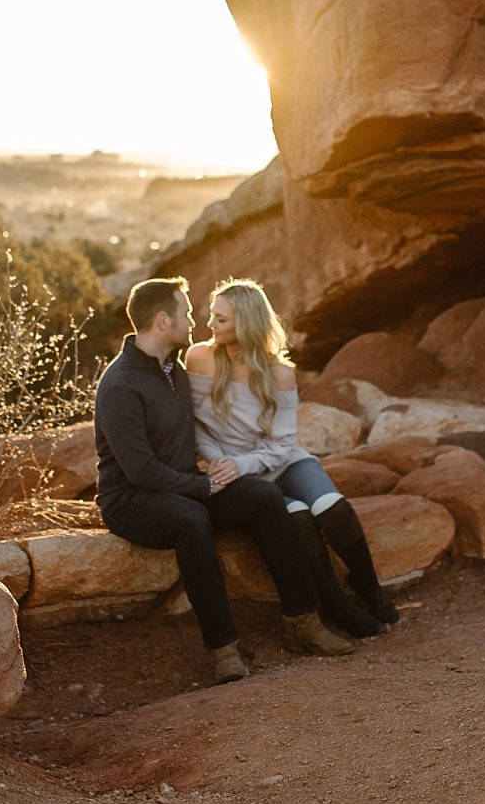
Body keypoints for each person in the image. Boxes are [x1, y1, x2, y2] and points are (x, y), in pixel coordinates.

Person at [94, 276, 356, 683]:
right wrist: (203, 486)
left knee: (265, 497)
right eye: (184, 314)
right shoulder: (121, 384)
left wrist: (221, 469)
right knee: (191, 520)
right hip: (131, 501)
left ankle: (302, 621)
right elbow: (140, 472)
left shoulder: (173, 369)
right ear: (163, 321)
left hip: (181, 484)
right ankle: (223, 649)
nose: (193, 321)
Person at [186, 279, 400, 639]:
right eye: (212, 316)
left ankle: (369, 587)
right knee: (298, 517)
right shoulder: (199, 358)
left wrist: (244, 463)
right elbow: (193, 425)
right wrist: (219, 459)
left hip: (281, 462)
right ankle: (335, 603)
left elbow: (283, 445)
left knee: (332, 508)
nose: (210, 325)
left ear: (248, 322)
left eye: (220, 319)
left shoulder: (279, 373)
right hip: (240, 476)